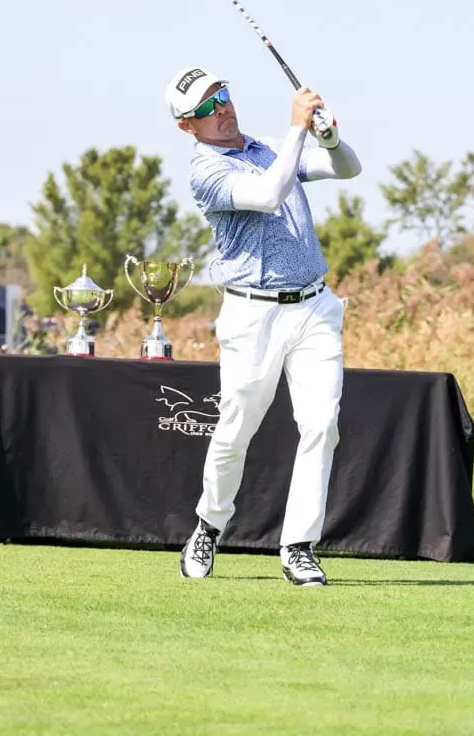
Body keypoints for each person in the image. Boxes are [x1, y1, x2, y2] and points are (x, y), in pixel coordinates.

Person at [165, 66, 362, 586]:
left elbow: (347, 168)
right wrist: (298, 128)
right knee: (236, 428)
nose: (222, 109)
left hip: (314, 307)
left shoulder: (270, 147)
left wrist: (329, 137)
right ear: (188, 125)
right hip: (253, 314)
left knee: (321, 425)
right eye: (207, 107)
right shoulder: (205, 172)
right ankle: (209, 524)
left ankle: (298, 546)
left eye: (223, 96)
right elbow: (269, 194)